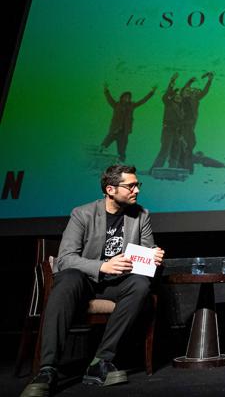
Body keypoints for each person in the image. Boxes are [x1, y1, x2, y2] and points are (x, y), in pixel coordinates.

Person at [21, 165, 165, 397]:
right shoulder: (83, 214)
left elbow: (146, 255)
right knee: (67, 278)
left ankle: (101, 360)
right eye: (131, 186)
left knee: (141, 285)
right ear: (110, 189)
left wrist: (154, 256)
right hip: (85, 281)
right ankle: (47, 369)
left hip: (118, 284)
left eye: (138, 185)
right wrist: (102, 266)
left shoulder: (141, 216)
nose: (136, 190)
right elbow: (66, 258)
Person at [100, 84, 157, 162]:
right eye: (125, 96)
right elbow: (109, 99)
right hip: (114, 131)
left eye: (128, 97)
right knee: (103, 146)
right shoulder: (116, 105)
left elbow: (142, 101)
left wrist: (152, 92)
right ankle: (96, 160)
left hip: (124, 133)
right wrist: (106, 90)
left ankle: (121, 165)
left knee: (121, 152)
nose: (127, 98)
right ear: (122, 97)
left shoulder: (132, 106)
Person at [150, 73, 184, 171]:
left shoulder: (181, 110)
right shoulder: (169, 104)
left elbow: (181, 123)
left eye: (180, 97)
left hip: (177, 132)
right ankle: (155, 168)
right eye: (176, 96)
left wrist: (181, 134)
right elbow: (166, 96)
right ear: (173, 97)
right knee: (165, 150)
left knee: (176, 150)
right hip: (168, 129)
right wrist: (172, 82)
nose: (178, 97)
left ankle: (173, 169)